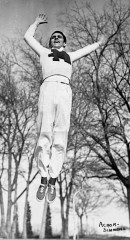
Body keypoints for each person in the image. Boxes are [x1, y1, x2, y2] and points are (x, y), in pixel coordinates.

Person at [24, 14, 106, 203]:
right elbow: (28, 38)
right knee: (44, 133)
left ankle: (53, 179)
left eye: (59, 36)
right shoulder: (44, 52)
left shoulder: (70, 55)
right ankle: (43, 178)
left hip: (64, 90)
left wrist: (100, 42)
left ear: (65, 43)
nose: (56, 38)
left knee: (61, 134)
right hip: (47, 88)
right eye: (53, 36)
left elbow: (87, 49)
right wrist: (36, 23)